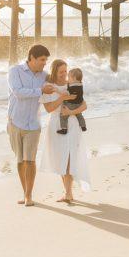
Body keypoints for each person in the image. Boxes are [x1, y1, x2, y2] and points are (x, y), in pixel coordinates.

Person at [7, 44, 65, 207]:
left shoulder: (45, 76)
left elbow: (59, 84)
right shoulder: (15, 71)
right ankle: (24, 191)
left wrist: (74, 87)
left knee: (30, 160)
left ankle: (28, 195)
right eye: (41, 60)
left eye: (46, 60)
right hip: (15, 122)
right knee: (20, 160)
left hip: (33, 124)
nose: (44, 63)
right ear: (31, 57)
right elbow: (18, 92)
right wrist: (40, 91)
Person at [39, 59, 91, 203]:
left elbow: (84, 105)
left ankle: (68, 193)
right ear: (54, 71)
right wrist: (62, 97)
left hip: (72, 124)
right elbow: (49, 109)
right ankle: (68, 192)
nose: (64, 74)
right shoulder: (48, 87)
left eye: (65, 71)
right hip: (56, 124)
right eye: (61, 72)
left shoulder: (71, 85)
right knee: (60, 159)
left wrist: (70, 113)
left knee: (69, 157)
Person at [57, 67, 86, 134]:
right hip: (79, 103)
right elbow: (72, 84)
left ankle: (64, 129)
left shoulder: (72, 88)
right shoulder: (80, 84)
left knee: (63, 116)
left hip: (71, 104)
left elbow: (66, 95)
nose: (68, 79)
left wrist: (57, 90)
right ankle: (83, 126)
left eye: (69, 77)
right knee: (79, 115)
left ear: (74, 78)